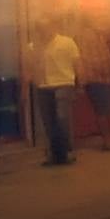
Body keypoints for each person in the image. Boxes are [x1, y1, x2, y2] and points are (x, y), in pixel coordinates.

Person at [35, 18, 80, 166]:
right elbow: (31, 66)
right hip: (44, 85)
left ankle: (66, 151)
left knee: (62, 119)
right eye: (40, 29)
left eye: (44, 28)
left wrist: (80, 84)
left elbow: (77, 63)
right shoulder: (35, 46)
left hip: (64, 83)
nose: (42, 32)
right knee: (49, 122)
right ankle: (55, 153)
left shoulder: (67, 42)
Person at [76, 16, 110, 150]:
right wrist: (82, 81)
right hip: (97, 78)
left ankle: (109, 140)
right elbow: (82, 60)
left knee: (105, 110)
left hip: (102, 78)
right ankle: (108, 141)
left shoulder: (97, 35)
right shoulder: (85, 37)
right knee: (103, 111)